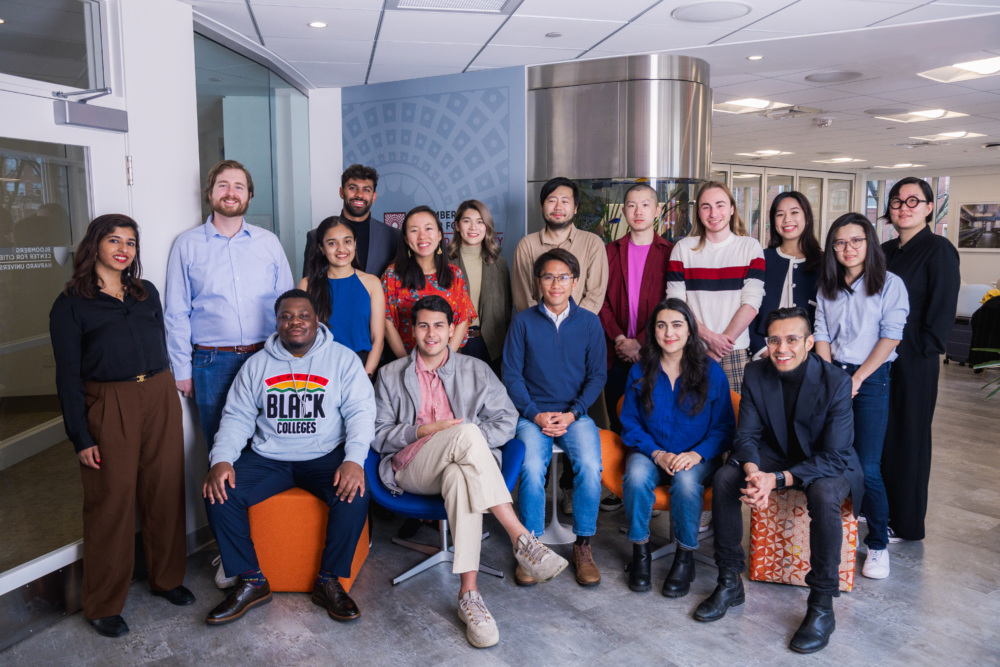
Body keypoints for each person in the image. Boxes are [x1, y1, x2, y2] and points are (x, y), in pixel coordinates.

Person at [373, 296, 568, 648]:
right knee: (466, 432)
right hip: (412, 466)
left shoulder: (476, 370)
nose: (431, 333)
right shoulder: (390, 375)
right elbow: (377, 433)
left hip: (464, 469)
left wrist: (470, 445)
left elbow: (507, 419)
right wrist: (423, 433)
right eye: (422, 325)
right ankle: (520, 537)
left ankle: (470, 596)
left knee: (462, 472)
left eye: (438, 325)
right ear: (411, 330)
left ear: (452, 330)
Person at [50, 214, 193, 638]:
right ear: (94, 245)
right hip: (108, 402)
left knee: (165, 489)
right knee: (110, 502)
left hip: (159, 393)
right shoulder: (71, 304)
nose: (123, 249)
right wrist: (79, 434)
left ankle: (165, 579)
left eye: (130, 242)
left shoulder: (145, 293)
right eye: (114, 240)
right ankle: (103, 603)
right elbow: (67, 376)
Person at [694, 307, 863, 655]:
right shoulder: (756, 372)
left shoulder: (836, 381)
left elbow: (834, 455)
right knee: (727, 477)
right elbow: (747, 435)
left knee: (825, 491)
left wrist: (778, 479)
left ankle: (821, 604)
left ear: (810, 342)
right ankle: (729, 581)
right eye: (774, 340)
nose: (781, 348)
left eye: (791, 339)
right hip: (776, 454)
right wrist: (755, 472)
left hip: (828, 460)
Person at [202, 289, 374, 626]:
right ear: (277, 323)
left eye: (303, 315)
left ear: (317, 320)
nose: (294, 321)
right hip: (270, 456)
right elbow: (236, 417)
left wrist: (353, 459)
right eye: (286, 316)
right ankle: (251, 580)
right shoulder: (257, 365)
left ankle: (328, 582)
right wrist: (220, 459)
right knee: (219, 491)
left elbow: (361, 413)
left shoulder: (342, 359)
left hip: (324, 454)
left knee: (355, 494)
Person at [165, 159, 293, 588]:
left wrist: (290, 358)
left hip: (266, 358)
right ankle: (228, 551)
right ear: (210, 193)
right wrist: (181, 368)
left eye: (239, 185)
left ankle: (264, 536)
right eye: (223, 185)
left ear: (250, 195)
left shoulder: (269, 243)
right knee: (222, 456)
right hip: (212, 363)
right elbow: (176, 312)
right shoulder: (187, 246)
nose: (231, 191)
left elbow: (287, 307)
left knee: (269, 447)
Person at [503, 248, 607, 587]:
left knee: (591, 467)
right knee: (531, 469)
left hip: (575, 416)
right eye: (548, 276)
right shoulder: (522, 321)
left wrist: (573, 413)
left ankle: (583, 545)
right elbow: (511, 375)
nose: (556, 283)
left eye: (563, 277)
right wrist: (534, 414)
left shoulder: (590, 323)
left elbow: (597, 377)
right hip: (532, 415)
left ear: (575, 281)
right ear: (538, 282)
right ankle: (530, 548)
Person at [815, 213, 909, 579]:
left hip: (871, 377)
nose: (847, 248)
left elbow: (892, 336)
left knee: (867, 464)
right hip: (832, 374)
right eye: (839, 242)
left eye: (855, 240)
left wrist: (858, 378)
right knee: (831, 456)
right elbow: (821, 331)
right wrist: (828, 376)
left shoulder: (889, 284)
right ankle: (837, 533)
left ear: (869, 243)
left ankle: (879, 545)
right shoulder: (828, 285)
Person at [620, 298, 734, 596]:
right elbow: (630, 424)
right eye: (661, 325)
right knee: (636, 476)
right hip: (652, 451)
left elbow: (724, 428)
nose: (669, 332)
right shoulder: (640, 371)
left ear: (689, 331)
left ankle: (685, 557)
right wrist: (657, 453)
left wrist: (695, 455)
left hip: (698, 456)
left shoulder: (711, 372)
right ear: (653, 332)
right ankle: (640, 553)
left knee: (684, 483)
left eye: (676, 325)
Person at [880, 177, 960, 542]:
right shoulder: (884, 250)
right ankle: (879, 509)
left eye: (914, 201)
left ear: (929, 207)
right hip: (881, 356)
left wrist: (924, 350)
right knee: (882, 435)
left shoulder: (938, 249)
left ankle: (907, 522)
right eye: (897, 201)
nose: (904, 207)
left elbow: (942, 308)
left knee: (908, 438)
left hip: (914, 359)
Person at [667, 181, 765, 393]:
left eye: (720, 205)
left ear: (731, 209)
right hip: (691, 349)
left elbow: (751, 303)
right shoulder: (683, 249)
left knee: (735, 419)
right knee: (690, 417)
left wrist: (720, 347)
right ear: (699, 213)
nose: (713, 213)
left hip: (734, 350)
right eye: (706, 206)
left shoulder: (750, 247)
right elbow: (676, 304)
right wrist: (710, 338)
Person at [599, 184, 674, 434]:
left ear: (657, 210)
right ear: (623, 211)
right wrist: (620, 339)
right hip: (616, 353)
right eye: (631, 205)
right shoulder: (610, 251)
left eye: (645, 205)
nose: (638, 211)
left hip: (656, 352)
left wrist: (639, 342)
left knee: (655, 421)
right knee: (618, 419)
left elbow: (671, 304)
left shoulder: (670, 253)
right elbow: (601, 300)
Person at [382, 205, 477, 358]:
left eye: (428, 229)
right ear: (406, 238)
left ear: (440, 235)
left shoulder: (455, 274)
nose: (422, 236)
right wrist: (408, 363)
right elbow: (387, 323)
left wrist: (444, 361)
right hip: (405, 362)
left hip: (446, 364)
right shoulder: (392, 275)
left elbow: (462, 320)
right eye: (414, 230)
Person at [298, 216, 385, 379]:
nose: (341, 249)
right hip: (318, 369)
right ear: (321, 248)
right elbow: (301, 337)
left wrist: (366, 375)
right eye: (332, 243)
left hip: (361, 366)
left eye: (347, 241)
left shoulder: (372, 283)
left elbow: (377, 339)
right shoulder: (307, 285)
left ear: (355, 244)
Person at [511, 176, 608, 314]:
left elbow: (595, 295)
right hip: (538, 331)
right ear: (541, 205)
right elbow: (523, 297)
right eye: (551, 201)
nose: (558, 207)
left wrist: (572, 325)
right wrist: (543, 325)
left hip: (579, 330)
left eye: (565, 201)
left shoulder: (592, 243)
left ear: (575, 207)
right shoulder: (527, 245)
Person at [748, 191, 822, 358]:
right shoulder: (761, 258)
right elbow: (748, 309)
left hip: (809, 356)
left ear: (807, 217)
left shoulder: (824, 263)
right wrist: (762, 351)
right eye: (780, 214)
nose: (787, 219)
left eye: (794, 212)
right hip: (764, 354)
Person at [303, 164, 400, 278]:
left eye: (366, 190)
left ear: (373, 197)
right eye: (353, 188)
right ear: (341, 192)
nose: (359, 195)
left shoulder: (393, 236)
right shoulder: (316, 236)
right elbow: (309, 288)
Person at [448, 199, 511, 373]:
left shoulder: (500, 264)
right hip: (454, 343)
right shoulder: (443, 262)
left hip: (491, 345)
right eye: (467, 221)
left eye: (480, 222)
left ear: (487, 227)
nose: (473, 227)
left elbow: (506, 310)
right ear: (457, 226)